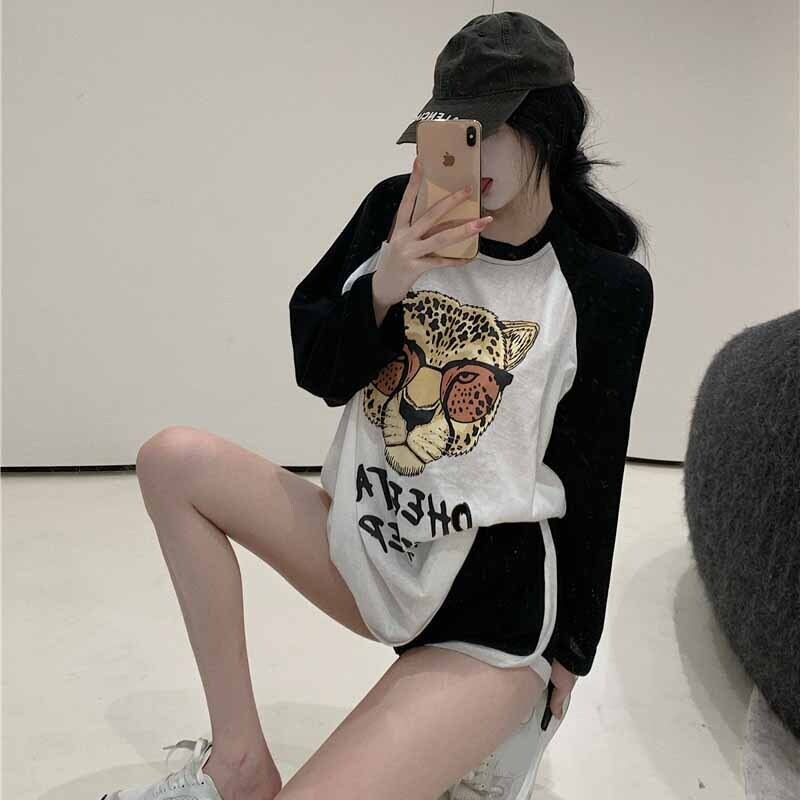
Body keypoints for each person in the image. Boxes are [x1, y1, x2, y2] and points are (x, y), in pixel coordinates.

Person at [101, 11, 653, 800]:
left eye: (489, 131)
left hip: (489, 611)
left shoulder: (603, 286)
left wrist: (572, 653)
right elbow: (320, 371)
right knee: (172, 461)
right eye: (452, 131)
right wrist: (390, 279)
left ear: (548, 130)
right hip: (368, 543)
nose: (467, 154)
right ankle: (238, 763)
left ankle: (490, 732)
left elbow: (594, 472)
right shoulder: (395, 213)